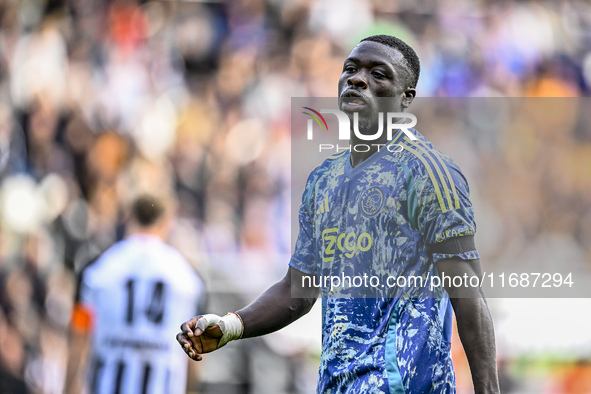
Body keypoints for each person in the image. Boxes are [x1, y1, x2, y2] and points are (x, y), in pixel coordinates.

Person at [177, 35, 499, 393]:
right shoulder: (324, 181)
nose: (357, 79)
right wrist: (230, 326)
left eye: (378, 73)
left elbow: (467, 291)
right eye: (350, 69)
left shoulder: (429, 173)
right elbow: (296, 292)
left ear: (406, 97)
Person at [65, 194, 206, 394]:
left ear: (128, 219)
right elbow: (196, 354)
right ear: (167, 223)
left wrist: (68, 387)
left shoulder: (97, 270)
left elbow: (79, 338)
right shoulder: (188, 279)